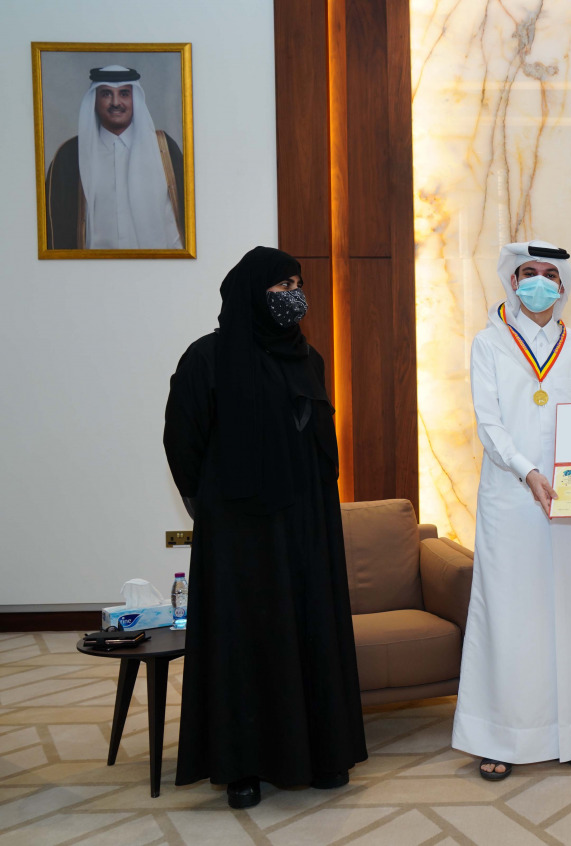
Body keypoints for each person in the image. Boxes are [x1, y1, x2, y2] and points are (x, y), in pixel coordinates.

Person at [163, 247, 366, 808]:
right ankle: (243, 766)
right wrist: (215, 504)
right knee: (246, 640)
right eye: (280, 285)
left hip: (306, 523)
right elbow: (183, 442)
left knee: (310, 629)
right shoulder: (207, 358)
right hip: (240, 530)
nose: (291, 294)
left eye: (297, 283)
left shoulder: (309, 357)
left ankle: (323, 753)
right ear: (251, 292)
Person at [452, 240, 571, 780]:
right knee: (509, 616)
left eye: (549, 274)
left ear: (563, 287)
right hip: (510, 499)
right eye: (528, 272)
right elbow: (489, 424)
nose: (538, 281)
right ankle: (501, 738)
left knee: (566, 613)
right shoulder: (489, 343)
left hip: (565, 502)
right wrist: (528, 470)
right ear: (511, 282)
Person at [45, 65, 185, 250]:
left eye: (124, 94)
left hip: (156, 269)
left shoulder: (163, 149)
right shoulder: (70, 155)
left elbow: (179, 223)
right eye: (106, 94)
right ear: (94, 100)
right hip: (91, 272)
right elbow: (56, 229)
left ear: (135, 98)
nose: (116, 102)